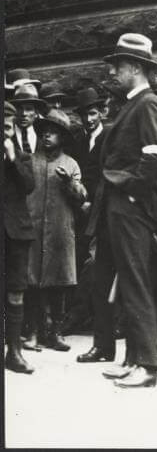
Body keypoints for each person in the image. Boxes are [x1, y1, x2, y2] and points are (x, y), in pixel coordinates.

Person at [86, 33, 157, 388]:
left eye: (117, 66)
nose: (112, 73)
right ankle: (135, 359)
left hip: (131, 208)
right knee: (128, 284)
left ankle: (148, 366)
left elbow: (154, 157)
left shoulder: (148, 104)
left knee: (135, 284)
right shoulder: (133, 104)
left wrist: (134, 195)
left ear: (134, 67)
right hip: (120, 206)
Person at [25, 109, 87, 353]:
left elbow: (81, 198)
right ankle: (32, 332)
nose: (47, 136)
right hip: (33, 229)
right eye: (45, 132)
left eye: (53, 133)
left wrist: (69, 182)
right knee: (32, 281)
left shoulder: (70, 164)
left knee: (59, 282)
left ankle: (55, 333)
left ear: (63, 137)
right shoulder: (30, 161)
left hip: (60, 231)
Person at [71, 88, 115, 360]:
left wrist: (93, 203)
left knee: (98, 267)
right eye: (85, 115)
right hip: (81, 210)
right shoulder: (79, 140)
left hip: (103, 210)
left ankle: (100, 325)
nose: (88, 119)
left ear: (101, 112)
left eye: (92, 113)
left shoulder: (109, 136)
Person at [10, 84, 48, 352]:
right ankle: (19, 333)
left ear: (36, 112)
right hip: (16, 214)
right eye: (20, 109)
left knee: (38, 272)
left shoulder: (43, 138)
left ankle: (39, 330)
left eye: (29, 109)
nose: (24, 114)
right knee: (20, 277)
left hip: (39, 213)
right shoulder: (8, 137)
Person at [3, 101, 36, 374]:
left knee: (16, 291)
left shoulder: (22, 157)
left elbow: (28, 186)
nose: (4, 133)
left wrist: (12, 158)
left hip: (16, 234)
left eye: (7, 128)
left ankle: (14, 352)